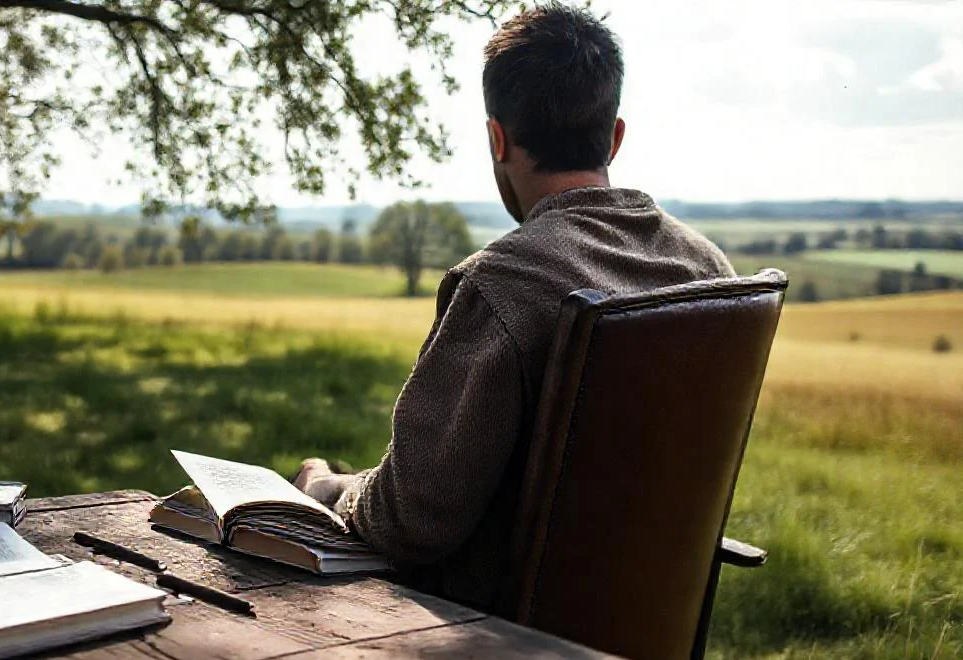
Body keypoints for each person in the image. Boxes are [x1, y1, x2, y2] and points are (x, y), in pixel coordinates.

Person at [291, 3, 736, 616]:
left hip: (498, 651)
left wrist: (326, 489)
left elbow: (415, 518)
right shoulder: (710, 270)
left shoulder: (501, 285)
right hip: (649, 637)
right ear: (614, 136)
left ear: (497, 138)